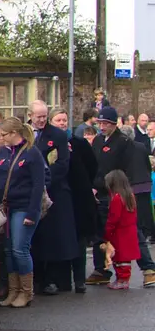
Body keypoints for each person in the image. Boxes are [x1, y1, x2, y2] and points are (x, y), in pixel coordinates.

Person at [88, 106, 155, 288]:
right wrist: (93, 186)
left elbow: (127, 170)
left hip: (119, 191)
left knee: (131, 230)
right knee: (101, 231)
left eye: (106, 124)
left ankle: (149, 269)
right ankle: (101, 269)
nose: (102, 127)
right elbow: (95, 166)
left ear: (114, 124)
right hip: (100, 192)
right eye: (100, 123)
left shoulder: (124, 142)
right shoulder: (98, 141)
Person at [0, 116, 46, 309]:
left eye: (4, 135)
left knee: (19, 249)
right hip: (8, 206)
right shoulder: (5, 153)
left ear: (14, 133)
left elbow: (38, 185)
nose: (2, 139)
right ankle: (13, 290)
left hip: (24, 207)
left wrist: (32, 213)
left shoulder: (32, 153)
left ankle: (26, 291)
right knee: (8, 251)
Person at [26, 102, 75, 296]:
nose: (41, 120)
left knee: (53, 238)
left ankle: (52, 279)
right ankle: (34, 279)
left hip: (53, 191)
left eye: (44, 116)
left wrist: (43, 180)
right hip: (28, 192)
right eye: (38, 116)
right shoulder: (24, 134)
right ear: (30, 115)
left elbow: (62, 164)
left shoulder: (57, 135)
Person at [58, 110, 98, 294]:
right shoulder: (51, 143)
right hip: (59, 197)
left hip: (79, 197)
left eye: (64, 120)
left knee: (79, 239)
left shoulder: (80, 144)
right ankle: (63, 280)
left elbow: (92, 166)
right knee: (63, 239)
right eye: (58, 120)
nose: (62, 123)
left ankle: (80, 280)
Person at [102, 170, 141, 289]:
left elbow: (113, 218)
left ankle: (121, 279)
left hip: (120, 232)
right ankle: (124, 279)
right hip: (130, 230)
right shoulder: (130, 196)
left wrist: (107, 233)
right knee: (126, 258)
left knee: (119, 258)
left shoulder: (117, 199)